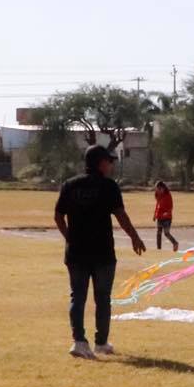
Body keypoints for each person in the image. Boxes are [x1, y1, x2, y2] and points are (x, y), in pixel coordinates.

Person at [55, 144, 146, 359]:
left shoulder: (70, 185)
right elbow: (120, 215)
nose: (111, 165)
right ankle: (101, 342)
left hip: (76, 252)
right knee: (102, 298)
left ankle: (79, 341)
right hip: (102, 252)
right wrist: (134, 236)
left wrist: (69, 237)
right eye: (109, 161)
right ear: (100, 163)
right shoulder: (108, 186)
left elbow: (58, 216)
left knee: (77, 296)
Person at [152, 180, 178, 251]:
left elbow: (171, 207)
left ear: (163, 188)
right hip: (159, 216)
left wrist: (167, 213)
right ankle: (159, 249)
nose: (158, 190)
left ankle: (175, 243)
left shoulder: (168, 195)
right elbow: (157, 204)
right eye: (157, 189)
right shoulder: (157, 194)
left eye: (159, 189)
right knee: (158, 233)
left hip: (167, 217)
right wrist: (155, 215)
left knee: (166, 233)